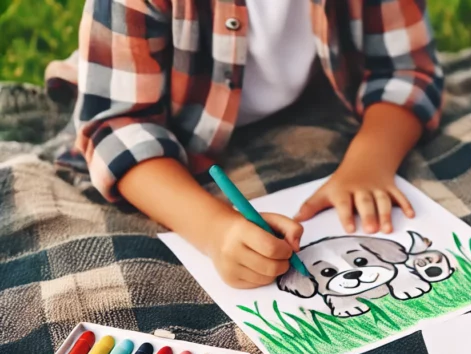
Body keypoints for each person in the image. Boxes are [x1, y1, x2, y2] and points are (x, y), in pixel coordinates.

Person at [45, 0, 444, 288]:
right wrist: (214, 230)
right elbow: (118, 127)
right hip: (153, 94)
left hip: (305, 94)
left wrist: (368, 163)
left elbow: (407, 70)